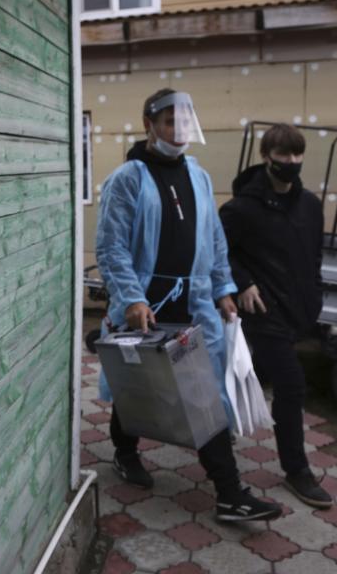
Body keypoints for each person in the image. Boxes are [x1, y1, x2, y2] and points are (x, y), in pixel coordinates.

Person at [96, 88, 281, 522]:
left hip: (195, 301)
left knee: (204, 393)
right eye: (167, 123)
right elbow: (111, 247)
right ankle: (125, 451)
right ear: (149, 124)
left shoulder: (197, 174)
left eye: (183, 123)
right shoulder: (129, 178)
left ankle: (229, 492)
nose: (176, 132)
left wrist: (222, 288)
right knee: (137, 385)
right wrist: (132, 298)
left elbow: (214, 239)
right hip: (150, 303)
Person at [219, 123, 331, 508]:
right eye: (284, 155)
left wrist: (314, 297)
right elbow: (218, 252)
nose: (292, 162)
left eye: (298, 154)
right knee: (291, 385)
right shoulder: (242, 208)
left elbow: (315, 255)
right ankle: (297, 470)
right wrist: (242, 282)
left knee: (253, 377)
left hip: (298, 311)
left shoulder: (310, 205)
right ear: (267, 156)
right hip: (263, 311)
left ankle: (221, 427)